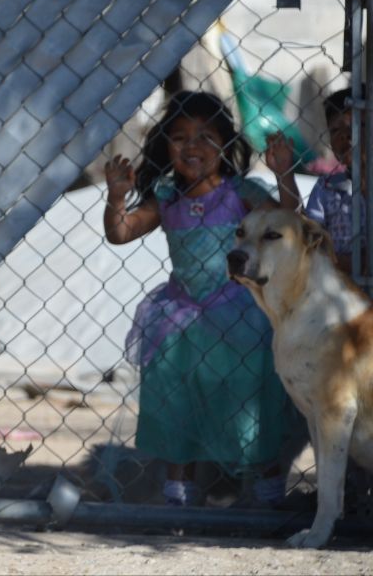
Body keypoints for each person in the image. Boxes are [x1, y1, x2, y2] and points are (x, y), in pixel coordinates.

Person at [104, 91, 300, 508]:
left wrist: (284, 175)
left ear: (227, 145)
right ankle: (179, 498)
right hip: (181, 320)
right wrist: (116, 198)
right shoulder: (168, 197)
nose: (192, 147)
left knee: (250, 399)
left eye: (205, 137)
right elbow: (120, 233)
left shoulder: (241, 193)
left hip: (240, 317)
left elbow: (288, 224)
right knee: (179, 403)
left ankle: (267, 498)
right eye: (180, 137)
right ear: (165, 145)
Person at [306, 87, 355, 274]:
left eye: (357, 125)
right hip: (339, 285)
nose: (345, 135)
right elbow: (311, 240)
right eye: (335, 130)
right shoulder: (326, 188)